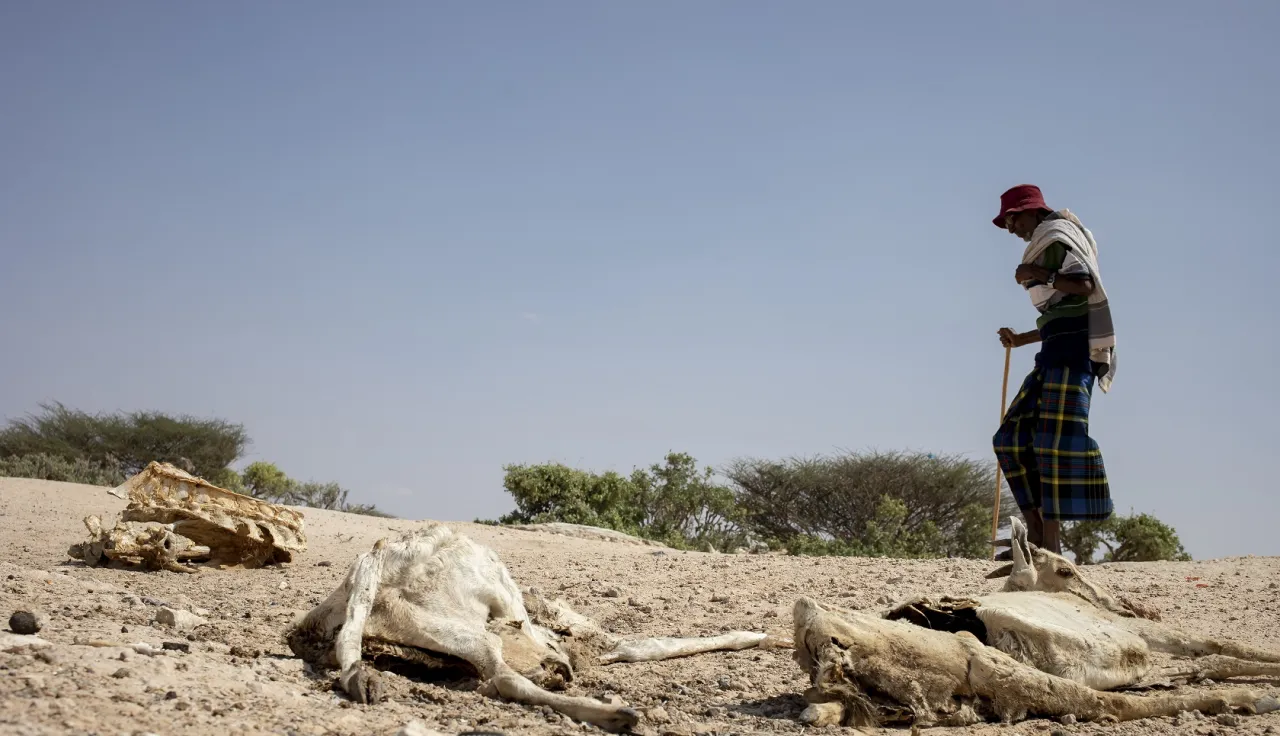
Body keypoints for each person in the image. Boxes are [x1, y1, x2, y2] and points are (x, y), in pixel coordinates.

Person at [990, 184, 1116, 554]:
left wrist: (1037, 273)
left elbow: (1084, 284)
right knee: (1009, 439)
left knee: (1051, 446)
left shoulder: (1058, 237)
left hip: (1075, 356)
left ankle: (1051, 545)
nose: (1012, 229)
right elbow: (1058, 317)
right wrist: (1021, 338)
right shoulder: (1048, 242)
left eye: (1013, 219)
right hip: (1054, 352)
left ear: (1031, 212)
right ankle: (1034, 534)